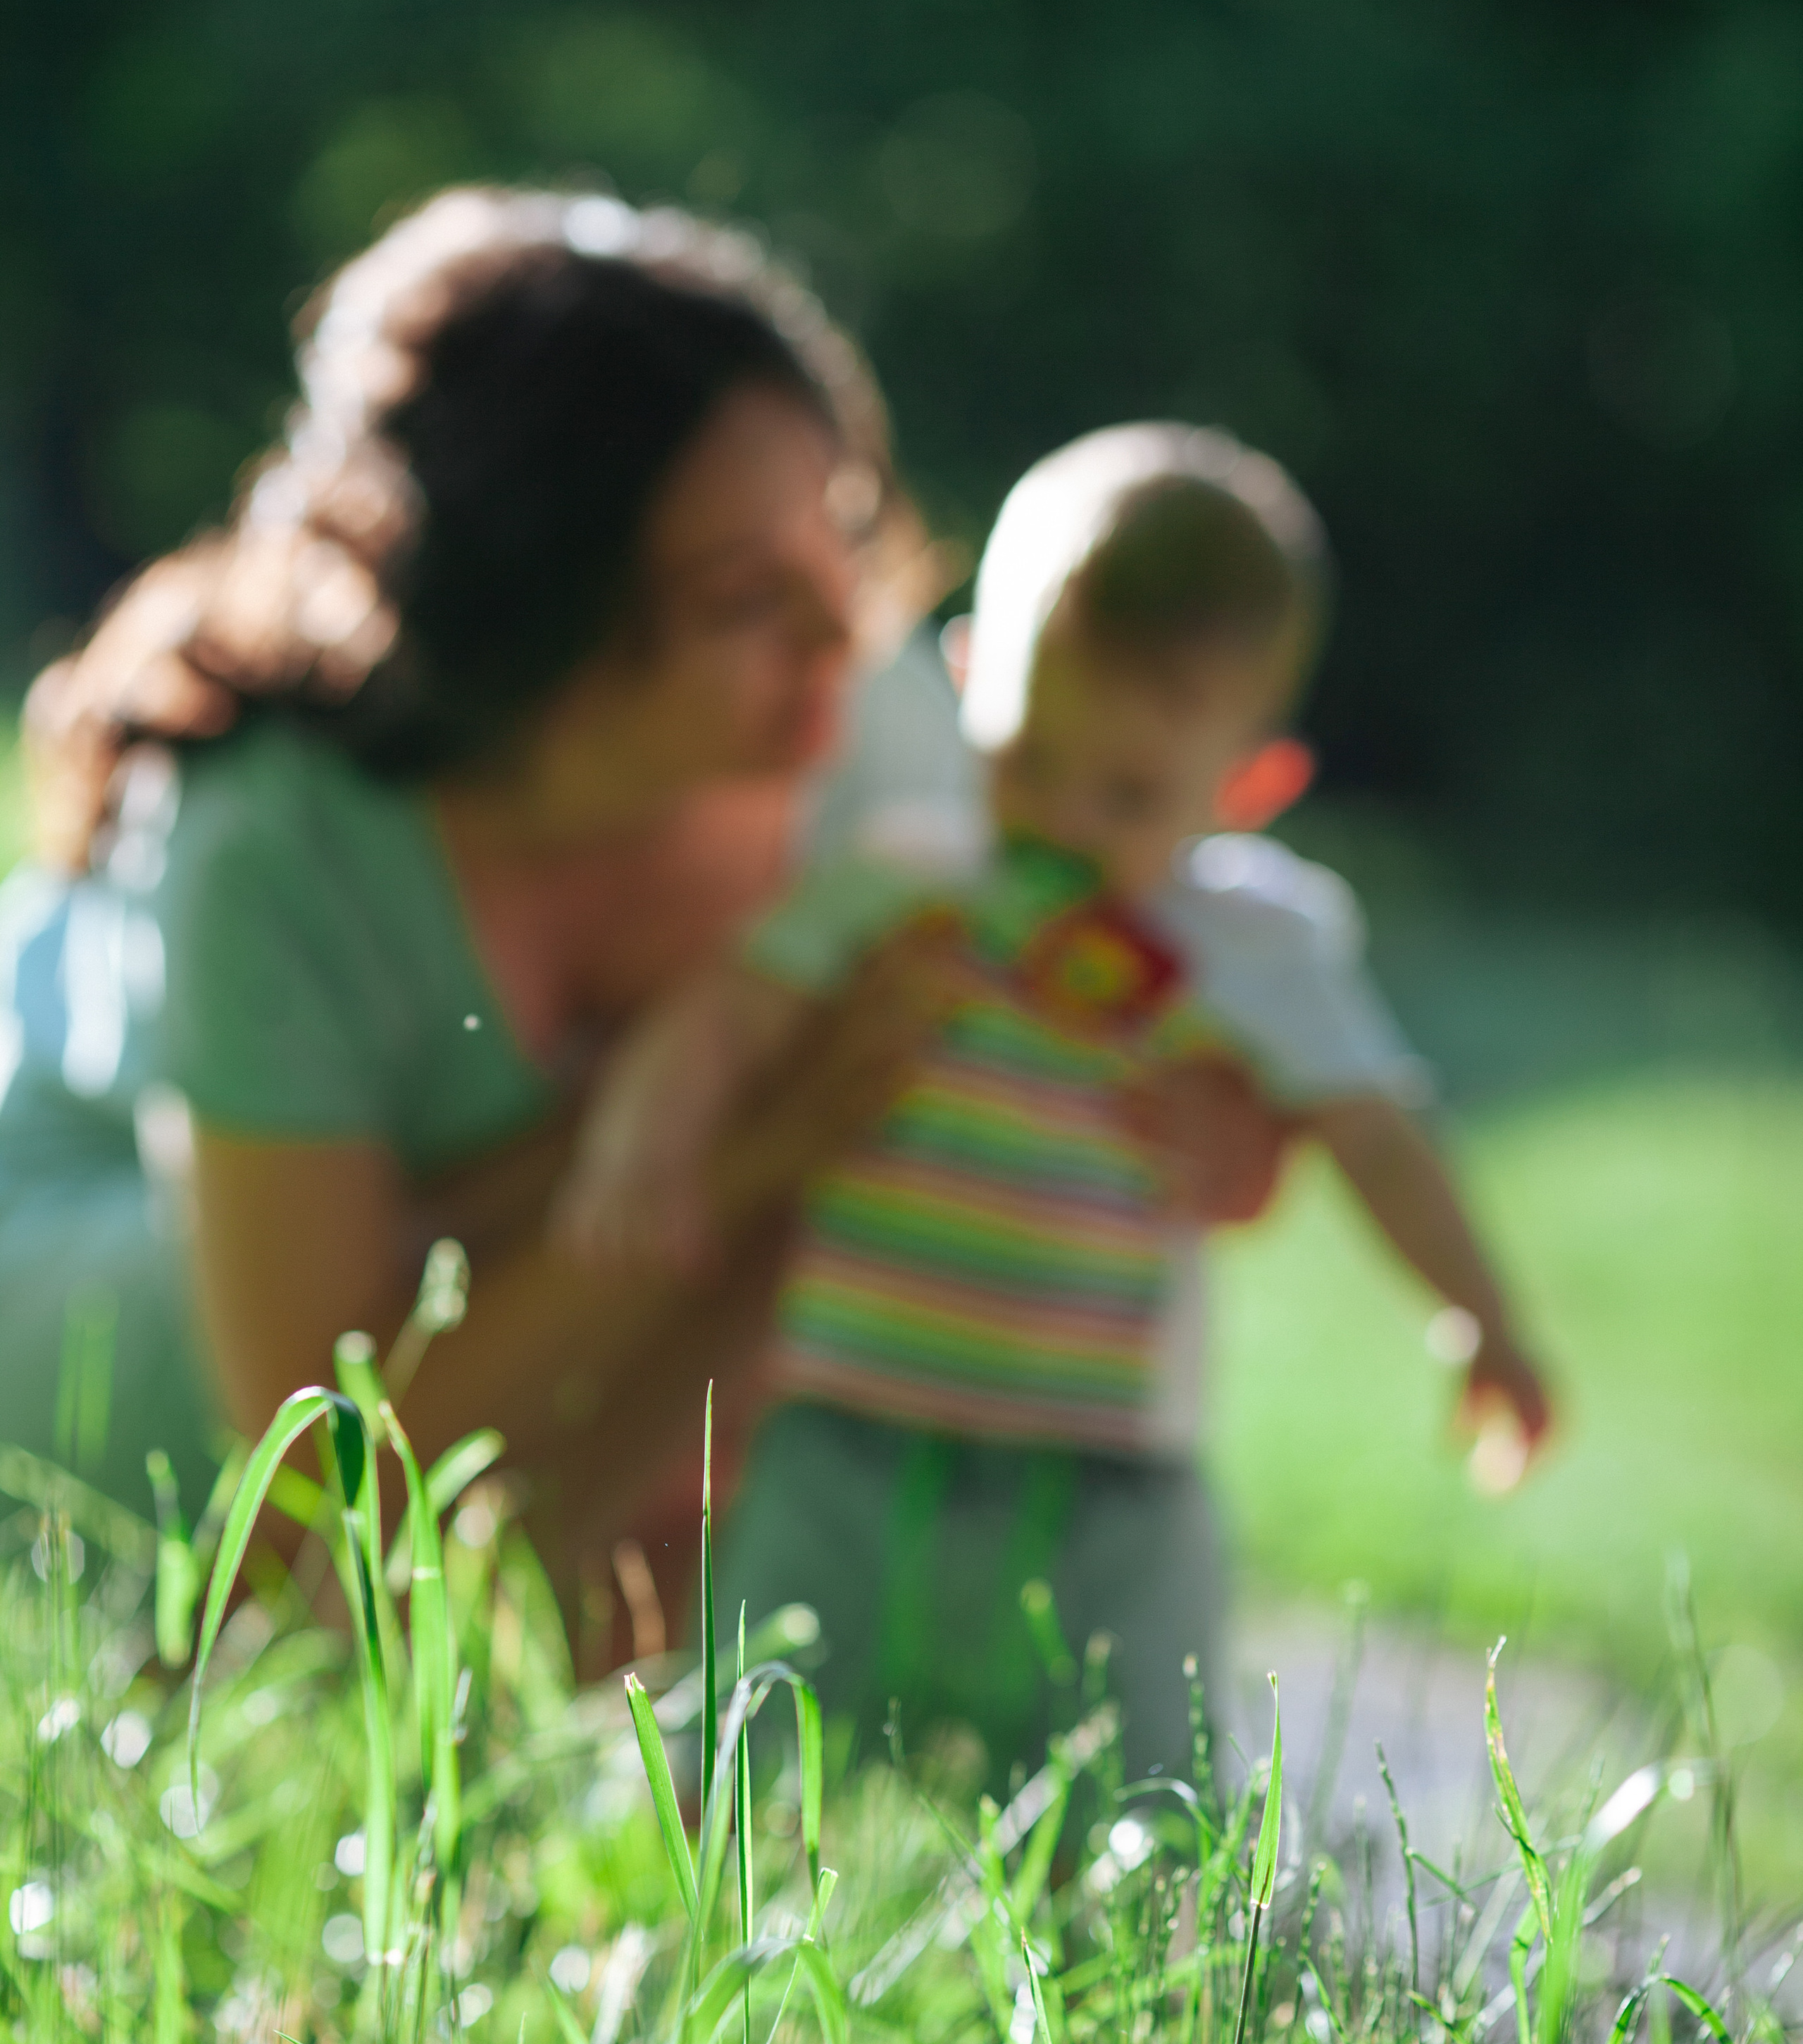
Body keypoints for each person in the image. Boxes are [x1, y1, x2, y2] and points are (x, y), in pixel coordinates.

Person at [0, 198, 1290, 1657]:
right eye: (742, 599)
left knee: (829, 1185)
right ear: (535, 630)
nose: (844, 628)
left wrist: (1216, 1113)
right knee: (334, 1580)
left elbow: (1083, 1013)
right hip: (118, 1254)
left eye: (841, 531)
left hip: (513, 1287)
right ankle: (479, 1643)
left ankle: (591, 1632)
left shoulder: (859, 725)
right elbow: (320, 1476)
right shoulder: (278, 839)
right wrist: (737, 1142)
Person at [559, 425, 1552, 1770]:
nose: (1064, 826)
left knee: (1142, 1778)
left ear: (1250, 785)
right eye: (1025, 760)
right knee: (746, 1751)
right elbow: (733, 1007)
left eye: (1130, 795)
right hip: (850, 1424)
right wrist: (642, 1138)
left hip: (1110, 1474)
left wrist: (1482, 1316)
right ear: (973, 680)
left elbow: (1379, 1134)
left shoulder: (1258, 945)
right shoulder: (910, 879)